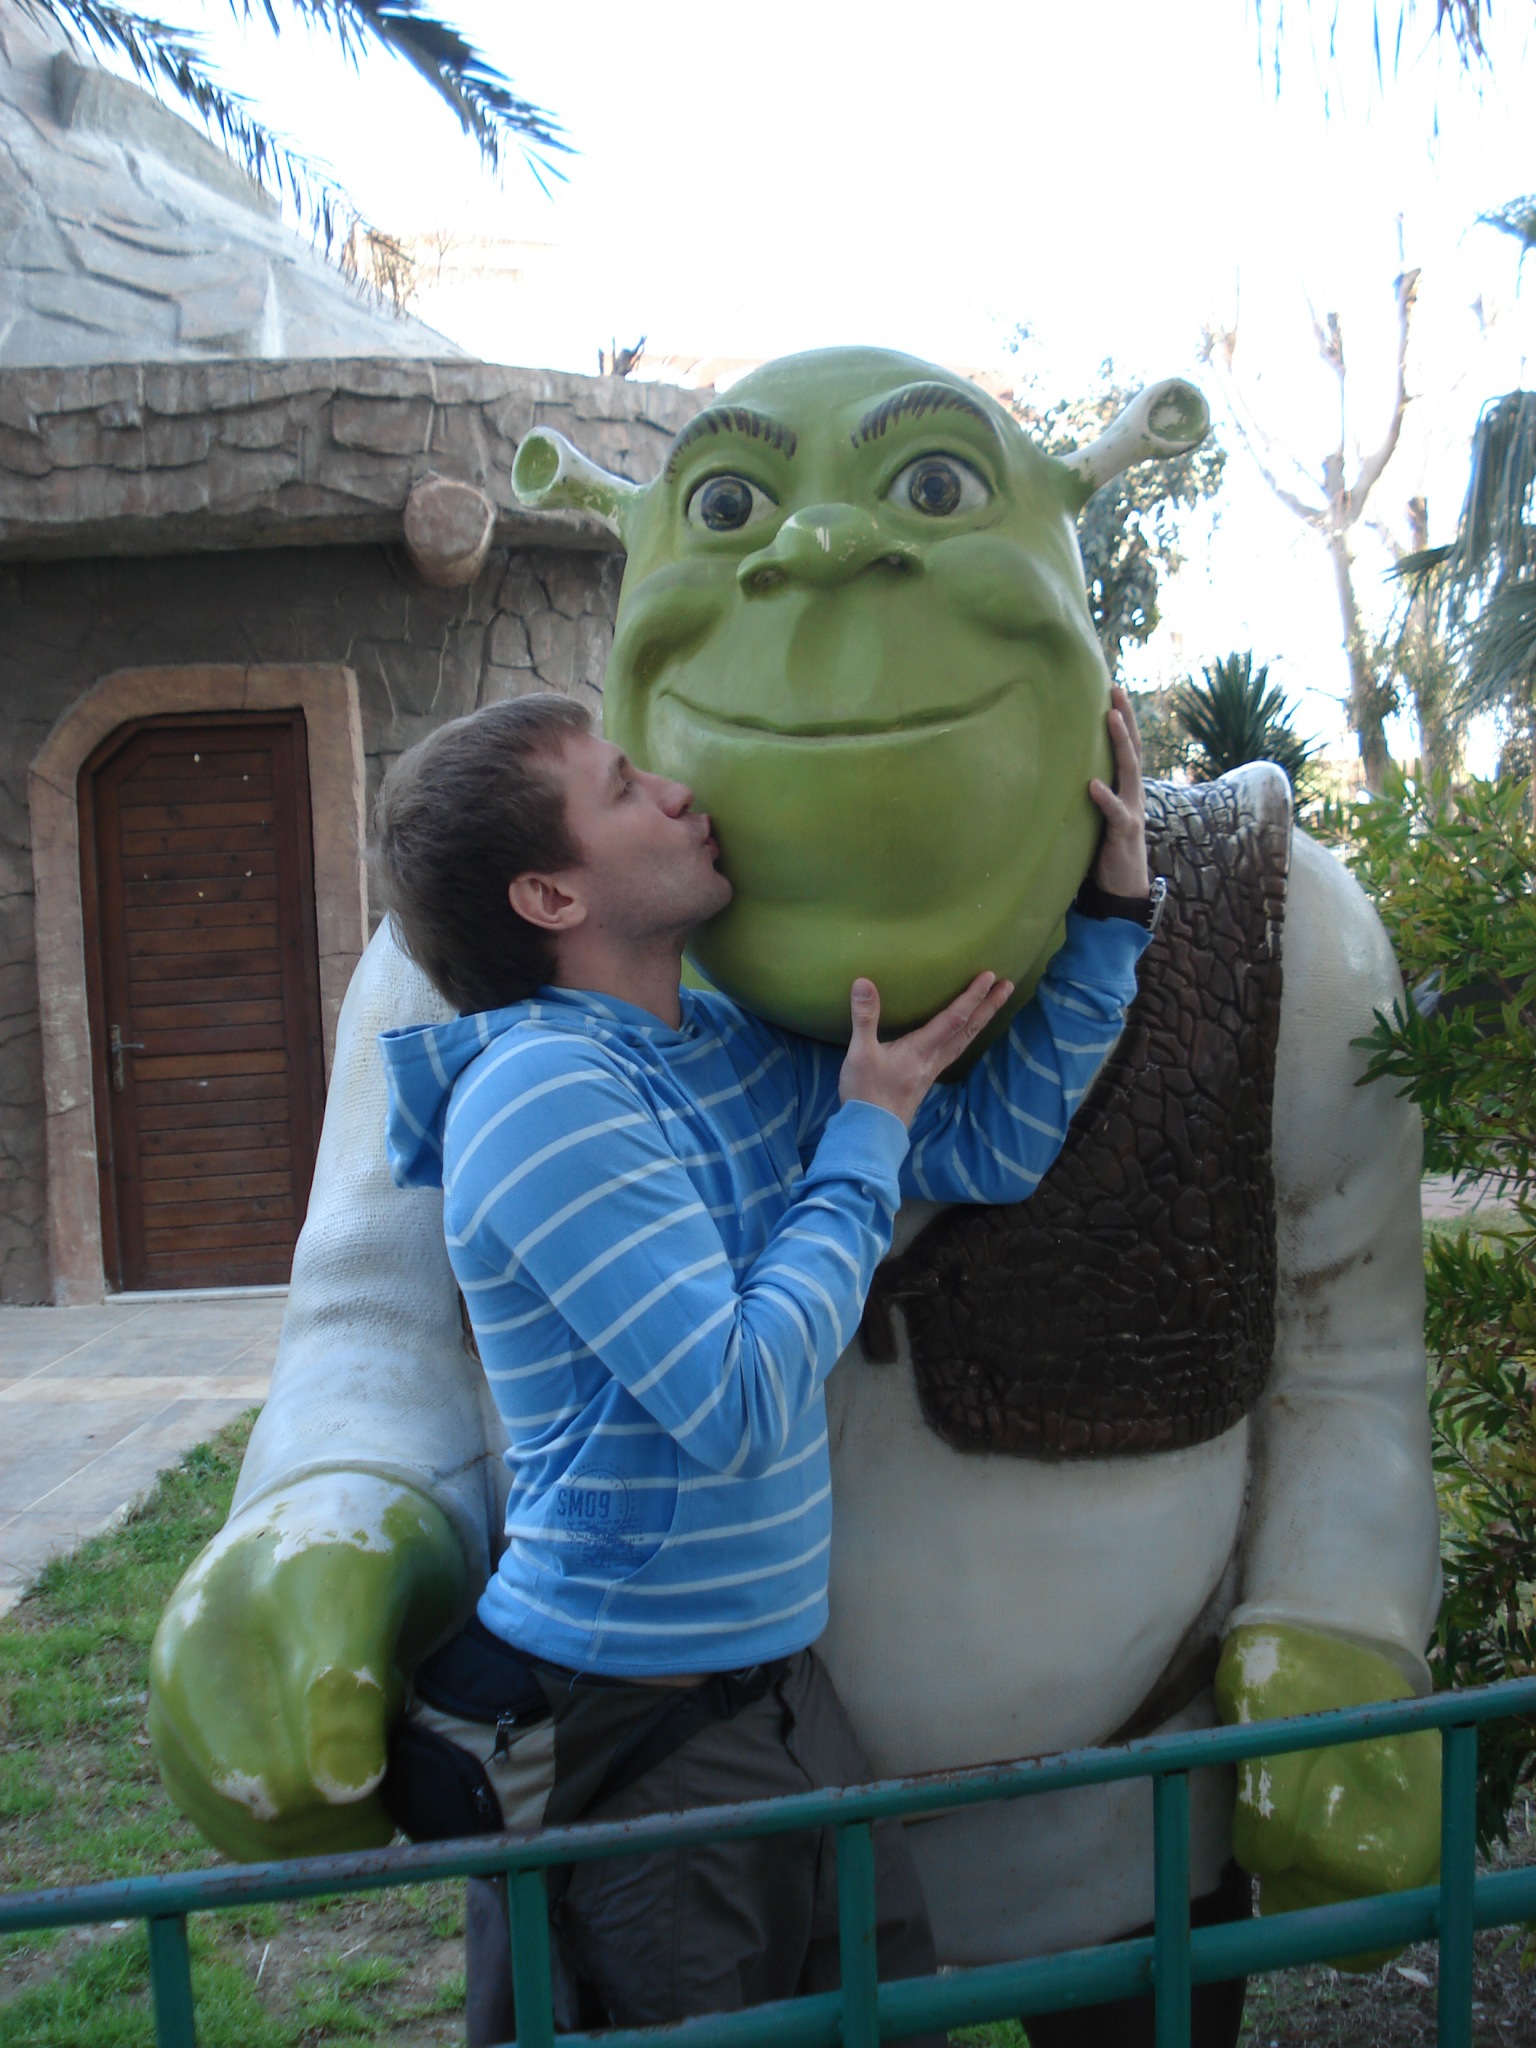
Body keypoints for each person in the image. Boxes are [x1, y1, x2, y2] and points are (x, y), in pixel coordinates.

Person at [370, 684, 1157, 2042]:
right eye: (624, 788)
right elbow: (733, 1399)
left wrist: (1109, 919)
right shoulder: (541, 1095)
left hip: (783, 1692)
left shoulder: (721, 1047)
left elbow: (991, 1146)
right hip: (646, 1736)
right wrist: (862, 1136)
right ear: (552, 897)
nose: (677, 791)